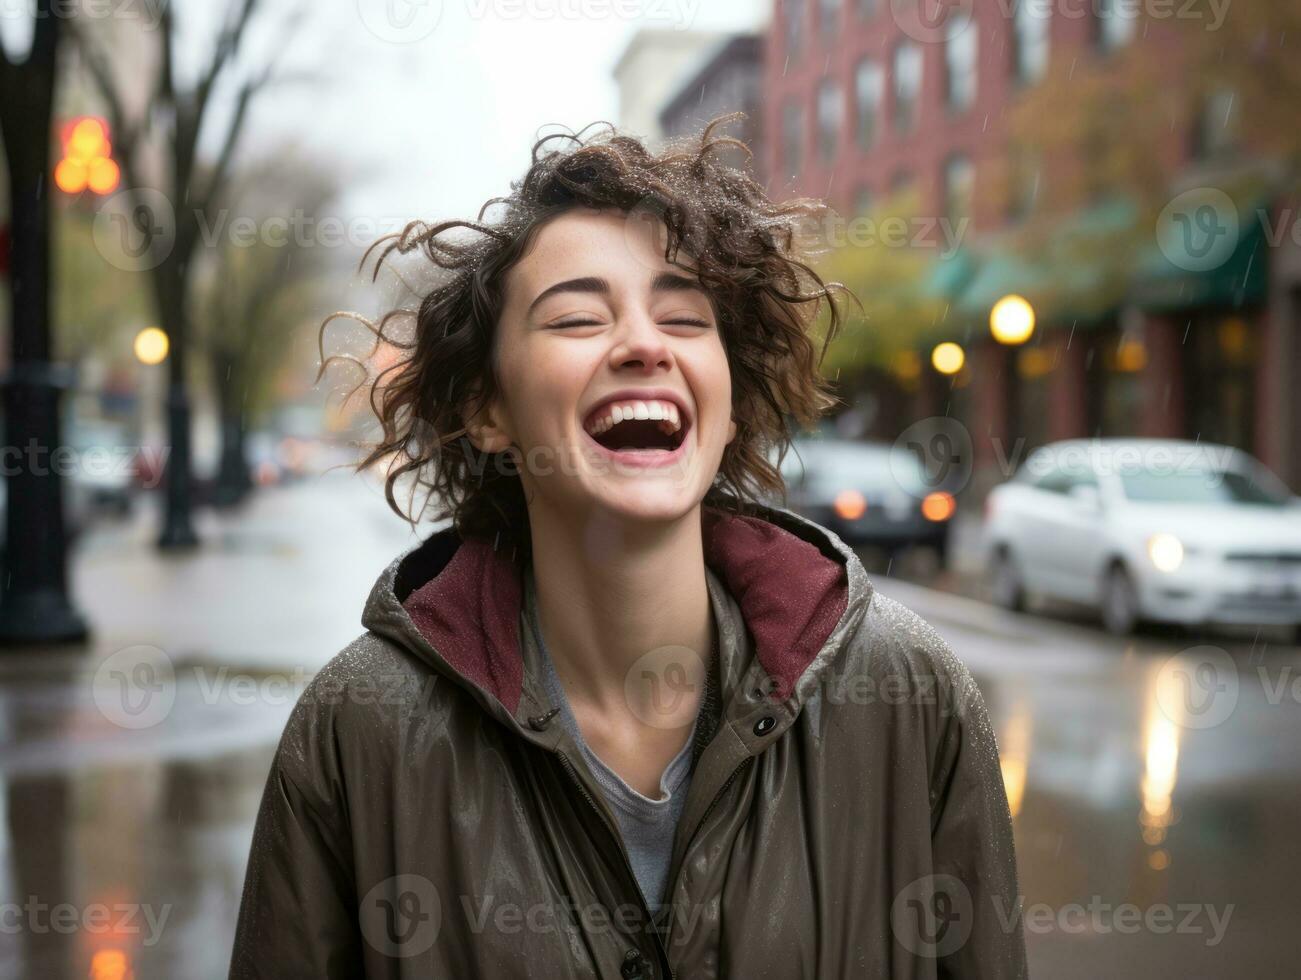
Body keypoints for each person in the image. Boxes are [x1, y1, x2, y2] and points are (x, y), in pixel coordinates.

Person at [228, 115, 1027, 979]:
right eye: (576, 319)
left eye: (684, 317)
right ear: (486, 411)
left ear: (729, 400)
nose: (644, 344)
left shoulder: (911, 699)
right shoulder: (356, 731)